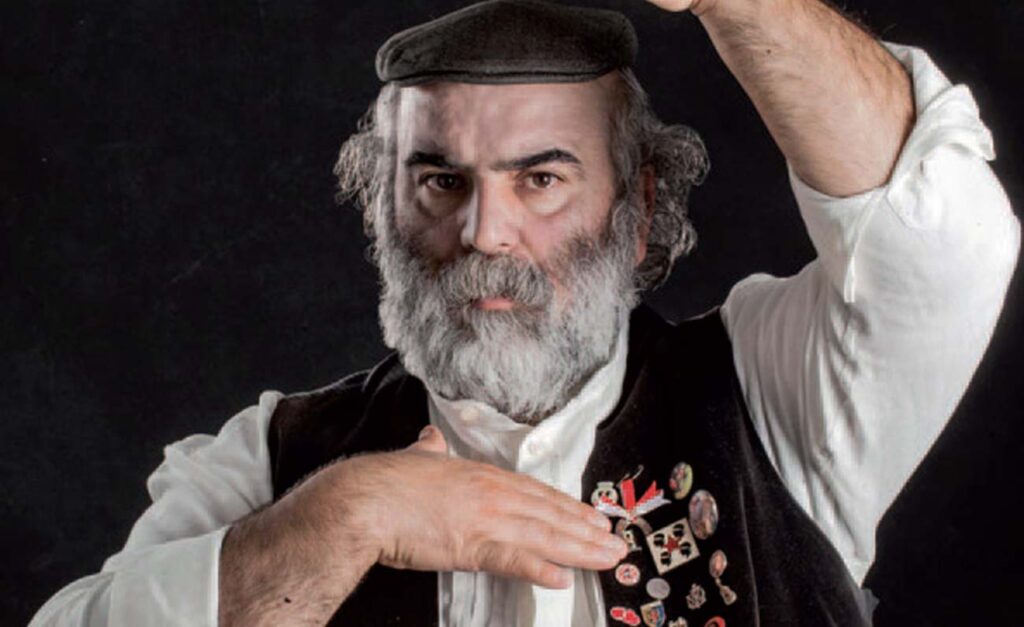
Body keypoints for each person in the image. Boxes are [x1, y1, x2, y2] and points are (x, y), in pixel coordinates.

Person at [30, 0, 1019, 625]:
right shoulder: (270, 461)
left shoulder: (776, 401)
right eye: (438, 181)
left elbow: (941, 245)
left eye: (540, 178)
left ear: (639, 208)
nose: (484, 232)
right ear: (382, 209)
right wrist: (346, 519)